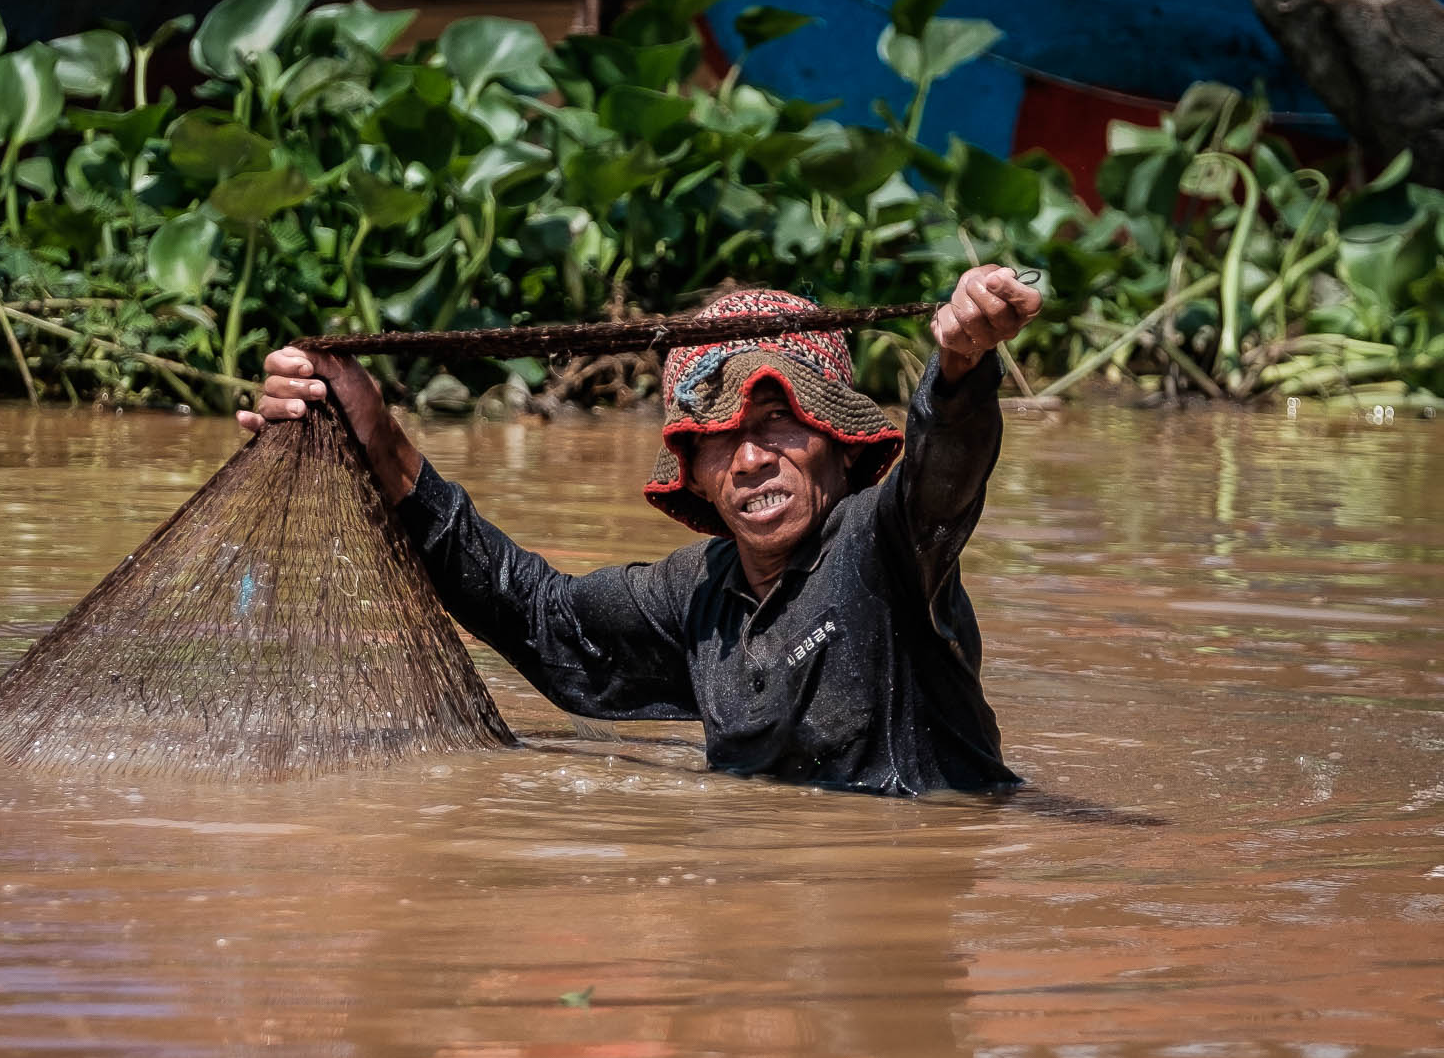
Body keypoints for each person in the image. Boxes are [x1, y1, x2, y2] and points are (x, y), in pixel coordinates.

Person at [242, 265, 1043, 795]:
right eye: (722, 436)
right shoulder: (698, 596)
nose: (753, 459)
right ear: (692, 469)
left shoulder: (889, 544)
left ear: (839, 441)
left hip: (913, 908)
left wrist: (960, 371)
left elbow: (945, 472)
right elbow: (536, 612)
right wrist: (380, 444)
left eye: (779, 421)